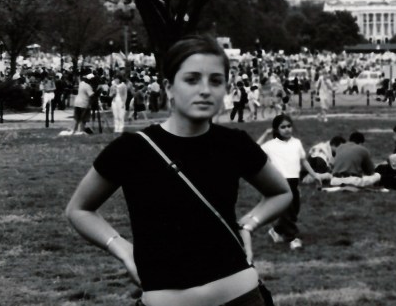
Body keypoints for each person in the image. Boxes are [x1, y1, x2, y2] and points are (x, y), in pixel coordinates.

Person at [65, 35, 291, 306]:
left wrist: (248, 225)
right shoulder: (131, 149)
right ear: (169, 87)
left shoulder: (235, 144)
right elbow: (79, 209)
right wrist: (122, 249)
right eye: (192, 79)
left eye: (216, 81)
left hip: (242, 297)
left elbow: (281, 192)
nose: (205, 89)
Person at [257, 115, 329, 251]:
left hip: (294, 181)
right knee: (287, 210)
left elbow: (304, 161)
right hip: (279, 181)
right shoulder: (270, 145)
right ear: (276, 129)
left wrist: (314, 175)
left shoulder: (296, 143)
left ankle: (277, 230)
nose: (287, 129)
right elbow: (253, 148)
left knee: (294, 209)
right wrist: (265, 134)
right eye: (283, 127)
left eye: (289, 126)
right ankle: (293, 238)